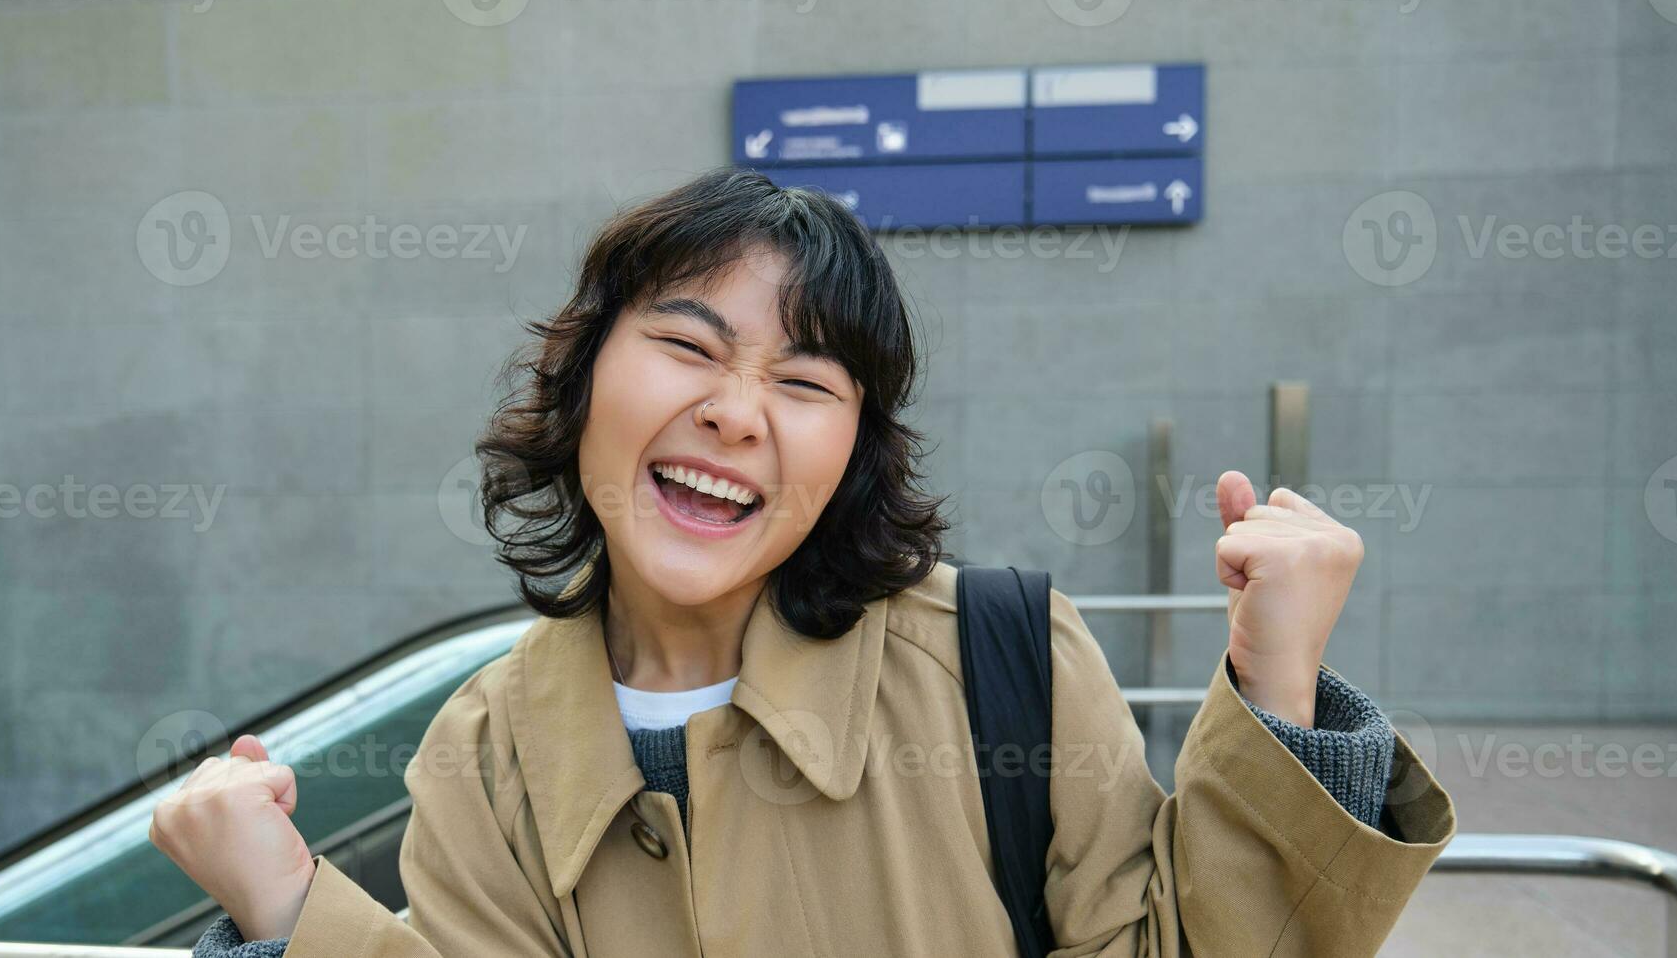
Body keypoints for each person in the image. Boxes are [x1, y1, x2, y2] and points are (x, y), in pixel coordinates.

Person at [149, 168, 1453, 956]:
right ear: (584, 371)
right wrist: (284, 901)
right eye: (689, 345)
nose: (736, 411)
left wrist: (1273, 684)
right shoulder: (482, 751)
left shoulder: (1001, 660)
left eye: (805, 378)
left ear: (852, 450)